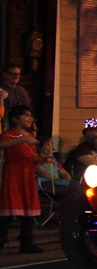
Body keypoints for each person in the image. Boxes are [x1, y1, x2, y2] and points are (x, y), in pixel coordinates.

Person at [0, 106, 42, 253]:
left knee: (28, 209)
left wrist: (42, 158)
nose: (31, 119)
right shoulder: (10, 134)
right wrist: (22, 139)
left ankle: (26, 242)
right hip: (14, 176)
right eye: (27, 115)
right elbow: (1, 144)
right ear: (15, 119)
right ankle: (1, 239)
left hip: (28, 175)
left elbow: (32, 157)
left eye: (31, 116)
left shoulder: (30, 136)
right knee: (9, 209)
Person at [34, 136, 79, 203]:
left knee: (75, 191)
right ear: (40, 146)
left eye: (51, 144)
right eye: (48, 145)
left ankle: (66, 208)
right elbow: (43, 173)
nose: (51, 147)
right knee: (75, 188)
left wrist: (68, 181)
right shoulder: (37, 160)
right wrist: (60, 181)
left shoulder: (53, 160)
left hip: (56, 183)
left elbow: (64, 173)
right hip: (45, 184)